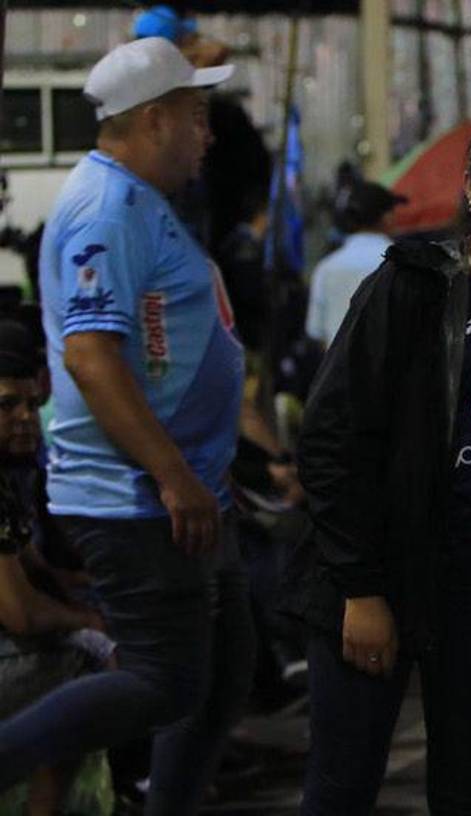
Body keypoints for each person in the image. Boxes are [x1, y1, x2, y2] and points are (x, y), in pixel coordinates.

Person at [289, 111, 471, 815]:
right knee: (342, 786)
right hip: (379, 574)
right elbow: (331, 436)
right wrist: (361, 588)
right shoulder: (411, 286)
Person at [0, 38, 255, 816]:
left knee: (221, 676)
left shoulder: (140, 201)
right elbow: (90, 358)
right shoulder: (104, 211)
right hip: (137, 494)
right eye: (196, 116)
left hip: (183, 485)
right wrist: (172, 475)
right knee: (162, 680)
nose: (207, 135)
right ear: (153, 120)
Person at [0, 321, 112, 816]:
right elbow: (20, 613)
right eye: (6, 407)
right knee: (87, 668)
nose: (26, 418)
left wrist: (84, 596)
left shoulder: (10, 476)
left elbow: (33, 565)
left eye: (29, 404)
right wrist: (87, 625)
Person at [305, 181, 408, 348]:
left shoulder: (325, 268)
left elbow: (316, 331)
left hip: (339, 371)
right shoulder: (404, 264)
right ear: (386, 217)